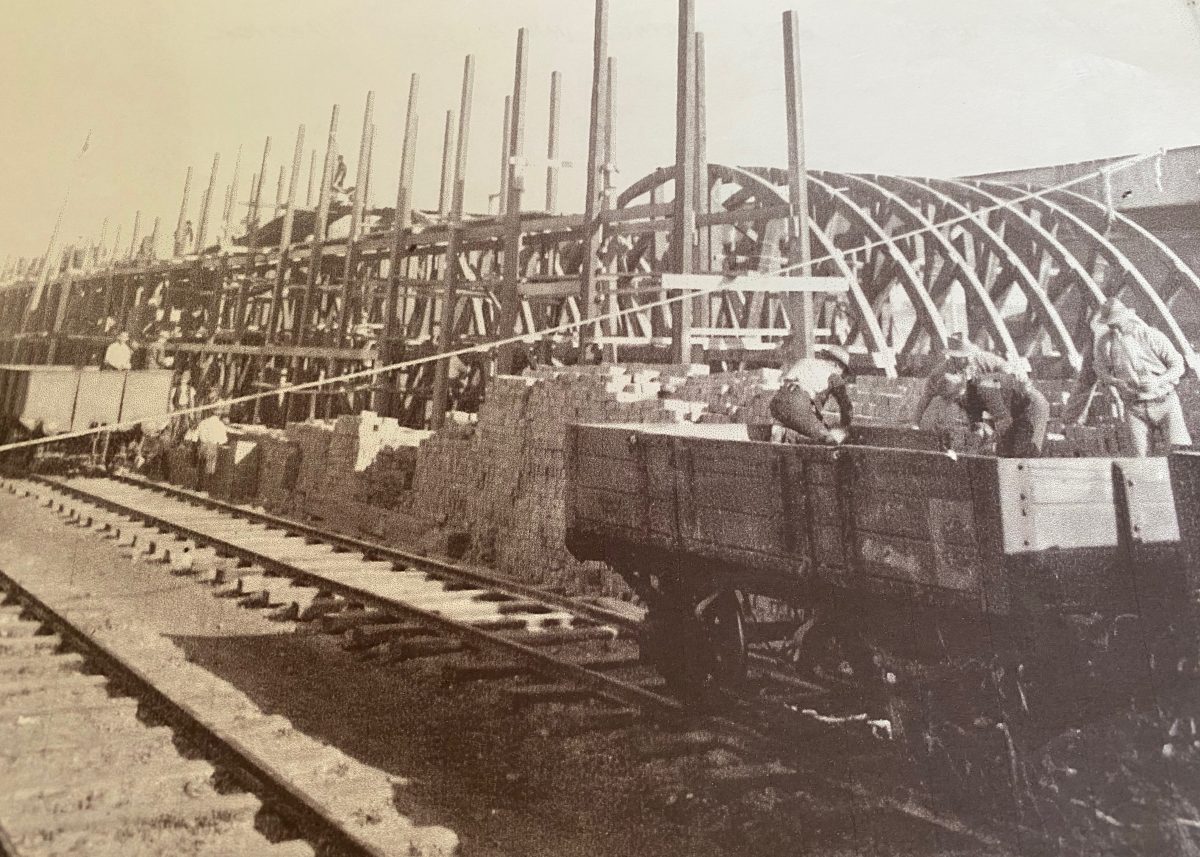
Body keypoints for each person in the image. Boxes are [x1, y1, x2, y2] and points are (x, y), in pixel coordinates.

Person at [1091, 297, 1191, 457]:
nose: (1115, 329)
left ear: (1127, 317)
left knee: (1179, 453)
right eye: (1111, 326)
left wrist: (1158, 381)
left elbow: (1178, 366)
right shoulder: (1105, 343)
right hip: (1135, 408)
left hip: (1165, 403)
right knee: (1140, 459)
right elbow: (1100, 370)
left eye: (1117, 324)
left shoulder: (1151, 336)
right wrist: (1116, 382)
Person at [909, 332, 1015, 427]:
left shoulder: (982, 358)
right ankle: (969, 427)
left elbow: (1008, 369)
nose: (968, 359)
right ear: (953, 357)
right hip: (963, 404)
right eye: (963, 357)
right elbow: (926, 396)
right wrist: (915, 423)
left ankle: (1003, 424)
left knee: (986, 386)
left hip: (992, 400)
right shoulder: (941, 372)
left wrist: (986, 377)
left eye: (968, 355)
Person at [936, 369, 1049, 457]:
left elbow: (1004, 422)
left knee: (1024, 451)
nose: (956, 403)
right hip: (1015, 410)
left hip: (1031, 404)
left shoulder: (985, 388)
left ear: (961, 390)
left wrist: (990, 445)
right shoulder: (967, 398)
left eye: (955, 399)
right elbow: (977, 427)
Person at [770, 345, 853, 445]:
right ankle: (788, 435)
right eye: (844, 371)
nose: (843, 375)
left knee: (807, 426)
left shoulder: (804, 361)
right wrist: (846, 425)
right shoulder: (834, 375)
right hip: (797, 404)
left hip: (776, 403)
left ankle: (783, 430)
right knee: (830, 442)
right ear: (837, 365)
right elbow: (845, 405)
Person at [194, 396, 229, 489]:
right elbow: (223, 440)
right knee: (210, 467)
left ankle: (199, 486)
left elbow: (196, 436)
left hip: (203, 447)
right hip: (212, 447)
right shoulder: (221, 425)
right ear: (220, 414)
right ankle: (208, 486)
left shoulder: (203, 422)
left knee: (201, 466)